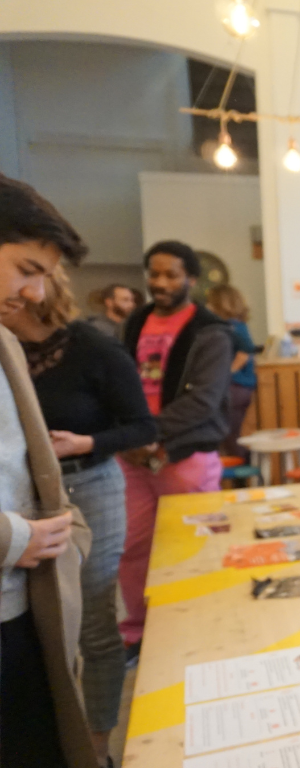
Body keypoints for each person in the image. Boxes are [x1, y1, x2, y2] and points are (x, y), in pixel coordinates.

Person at [2, 265, 155, 765]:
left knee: (93, 623)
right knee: (41, 628)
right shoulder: (8, 351)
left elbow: (141, 427)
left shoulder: (94, 348)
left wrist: (84, 442)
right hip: (25, 504)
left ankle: (96, 744)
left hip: (90, 486)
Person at [0, 175, 99, 768]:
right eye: (25, 267)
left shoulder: (6, 343)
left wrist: (63, 528)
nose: (37, 292)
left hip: (23, 608)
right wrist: (18, 537)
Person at [119, 240, 234, 663]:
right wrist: (127, 436)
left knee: (193, 548)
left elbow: (204, 400)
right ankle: (139, 632)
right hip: (132, 456)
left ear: (191, 279)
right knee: (133, 546)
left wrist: (149, 433)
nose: (160, 283)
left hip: (183, 454)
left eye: (170, 275)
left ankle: (198, 624)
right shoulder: (136, 322)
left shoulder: (211, 331)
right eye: (154, 274)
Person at [205, 285, 258, 460]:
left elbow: (244, 354)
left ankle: (242, 474)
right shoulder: (236, 326)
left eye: (210, 303)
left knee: (231, 435)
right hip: (240, 386)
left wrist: (226, 374)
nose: (207, 307)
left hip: (235, 386)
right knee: (231, 433)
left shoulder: (231, 327)